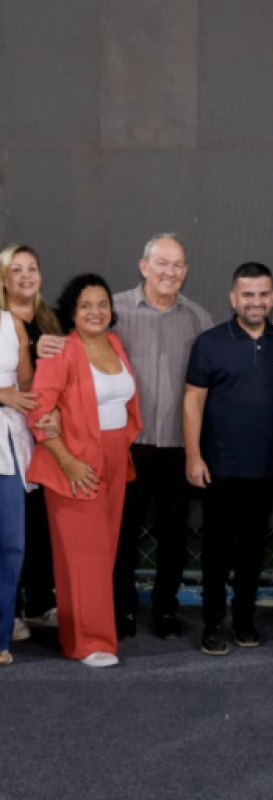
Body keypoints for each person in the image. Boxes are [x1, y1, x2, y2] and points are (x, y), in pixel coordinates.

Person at [27, 274, 141, 667]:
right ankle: (89, 643)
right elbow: (40, 411)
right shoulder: (62, 350)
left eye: (102, 304)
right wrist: (68, 459)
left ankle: (87, 633)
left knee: (103, 551)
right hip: (73, 460)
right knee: (83, 555)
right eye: (86, 305)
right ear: (72, 313)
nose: (96, 312)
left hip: (113, 458)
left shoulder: (114, 344)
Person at [184, 263, 273, 655]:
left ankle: (244, 619)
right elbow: (193, 400)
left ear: (272, 297)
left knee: (252, 549)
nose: (256, 301)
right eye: (247, 294)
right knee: (216, 551)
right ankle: (213, 624)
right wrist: (194, 456)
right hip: (219, 466)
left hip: (264, 467)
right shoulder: (209, 342)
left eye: (263, 294)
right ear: (233, 298)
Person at [113, 234, 213, 640]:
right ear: (143, 266)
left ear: (186, 272)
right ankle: (122, 610)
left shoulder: (199, 318)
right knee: (123, 532)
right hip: (127, 445)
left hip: (178, 446)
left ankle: (166, 610)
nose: (169, 272)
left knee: (174, 533)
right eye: (162, 263)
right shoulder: (113, 310)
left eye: (178, 265)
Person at [0, 243, 63, 642]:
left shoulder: (49, 321)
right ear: (3, 278)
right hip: (10, 435)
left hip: (38, 434)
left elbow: (45, 383)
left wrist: (55, 414)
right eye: (16, 269)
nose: (26, 276)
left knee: (36, 524)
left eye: (33, 268)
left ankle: (36, 603)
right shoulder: (9, 324)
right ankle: (10, 610)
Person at [0, 300, 36, 666]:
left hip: (9, 442)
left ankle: (0, 637)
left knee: (11, 545)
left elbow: (27, 386)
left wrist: (49, 418)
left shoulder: (13, 324)